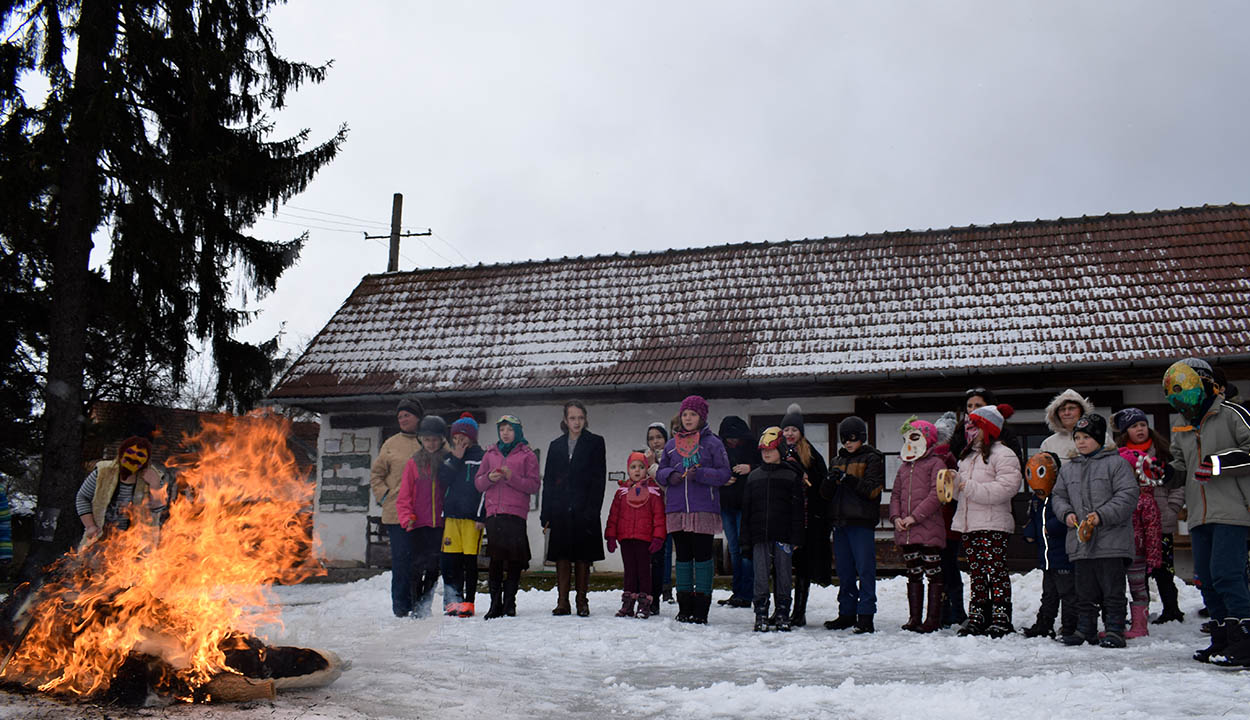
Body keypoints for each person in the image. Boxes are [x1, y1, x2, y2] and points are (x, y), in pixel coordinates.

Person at [1159, 358, 1250, 666]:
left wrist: (1218, 463)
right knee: (1208, 580)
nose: (1185, 404)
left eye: (1189, 395)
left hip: (1233, 509)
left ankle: (1245, 639)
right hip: (1199, 514)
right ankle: (1222, 638)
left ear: (1206, 386)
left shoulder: (1233, 415)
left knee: (1228, 574)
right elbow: (1181, 466)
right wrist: (1165, 472)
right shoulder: (1182, 426)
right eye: (1178, 399)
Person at [1050, 413, 1139, 648]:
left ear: (1099, 438)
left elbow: (1128, 495)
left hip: (1112, 541)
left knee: (1112, 589)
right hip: (1081, 542)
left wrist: (1101, 515)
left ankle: (1114, 630)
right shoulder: (1069, 469)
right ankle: (1085, 629)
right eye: (1077, 437)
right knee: (1084, 590)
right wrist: (1066, 513)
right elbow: (1058, 496)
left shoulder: (1117, 463)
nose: (1080, 442)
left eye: (1086, 437)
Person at [655, 395, 731, 624]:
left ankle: (701, 608)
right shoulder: (671, 444)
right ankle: (684, 605)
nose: (688, 418)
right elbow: (660, 472)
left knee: (703, 557)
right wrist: (671, 476)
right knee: (684, 558)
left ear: (702, 417)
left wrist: (703, 474)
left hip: (703, 509)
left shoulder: (713, 443)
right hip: (678, 509)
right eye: (685, 414)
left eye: (693, 414)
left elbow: (724, 473)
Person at [951, 404, 1022, 638]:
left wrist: (967, 487)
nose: (969, 431)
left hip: (993, 524)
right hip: (970, 524)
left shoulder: (1004, 454)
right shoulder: (967, 456)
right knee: (977, 573)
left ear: (988, 428)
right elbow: (960, 493)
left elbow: (1006, 488)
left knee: (995, 571)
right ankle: (978, 616)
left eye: (975, 427)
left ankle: (1001, 617)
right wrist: (950, 485)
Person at [1111, 408, 1185, 625]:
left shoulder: (1162, 452)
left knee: (1163, 568)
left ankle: (1172, 610)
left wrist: (1172, 509)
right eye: (1134, 426)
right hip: (1131, 523)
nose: (1140, 429)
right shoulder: (1119, 456)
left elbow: (1177, 484)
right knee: (1135, 570)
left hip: (1161, 519)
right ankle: (1139, 614)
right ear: (1126, 432)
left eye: (1142, 424)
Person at [542, 400, 607, 617]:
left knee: (582, 556)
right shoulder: (555, 445)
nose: (576, 422)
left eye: (580, 417)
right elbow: (549, 482)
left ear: (585, 418)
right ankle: (562, 601)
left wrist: (592, 510)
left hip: (584, 508)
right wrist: (546, 513)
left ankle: (581, 601)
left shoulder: (596, 443)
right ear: (565, 420)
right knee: (561, 556)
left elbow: (599, 480)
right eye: (572, 418)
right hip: (560, 509)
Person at [821, 416, 885, 634]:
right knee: (845, 571)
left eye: (853, 438)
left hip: (861, 522)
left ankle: (866, 615)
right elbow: (825, 495)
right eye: (844, 439)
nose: (848, 443)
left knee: (865, 569)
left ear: (862, 438)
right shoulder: (836, 460)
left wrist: (848, 479)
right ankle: (846, 613)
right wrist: (829, 481)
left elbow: (873, 490)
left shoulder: (872, 458)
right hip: (840, 523)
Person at [475, 414, 541, 619]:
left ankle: (510, 602)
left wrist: (511, 478)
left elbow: (533, 485)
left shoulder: (528, 455)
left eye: (510, 429)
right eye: (502, 429)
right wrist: (489, 478)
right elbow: (478, 483)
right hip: (494, 513)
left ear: (517, 432)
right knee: (495, 559)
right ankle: (495, 603)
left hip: (515, 514)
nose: (505, 433)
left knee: (514, 560)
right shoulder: (490, 454)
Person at [740, 427, 804, 632]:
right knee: (760, 574)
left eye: (772, 449)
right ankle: (761, 611)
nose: (766, 453)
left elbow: (797, 511)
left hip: (783, 535)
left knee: (784, 574)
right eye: (763, 450)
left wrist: (797, 538)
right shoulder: (753, 477)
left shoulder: (790, 476)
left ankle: (783, 610)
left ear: (782, 450)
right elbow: (747, 511)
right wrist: (745, 539)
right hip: (759, 536)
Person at [888, 417, 948, 633]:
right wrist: (896, 518)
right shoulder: (904, 468)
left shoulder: (936, 463)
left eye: (915, 438)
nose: (910, 444)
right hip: (906, 531)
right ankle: (914, 617)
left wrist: (914, 516)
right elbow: (895, 495)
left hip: (928, 528)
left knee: (933, 572)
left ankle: (932, 618)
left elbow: (937, 494)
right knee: (913, 572)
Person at [370, 397, 426, 617]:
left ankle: (420, 603)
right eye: (400, 416)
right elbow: (376, 475)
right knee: (402, 560)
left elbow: (446, 467)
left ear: (418, 417)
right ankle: (401, 607)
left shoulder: (430, 440)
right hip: (396, 514)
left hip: (424, 514)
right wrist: (384, 497)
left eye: (407, 415)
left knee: (421, 561)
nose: (403, 419)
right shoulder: (391, 444)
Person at [780, 404, 830, 627]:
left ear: (800, 432)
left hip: (808, 519)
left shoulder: (810, 454)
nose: (789, 433)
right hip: (785, 518)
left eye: (794, 430)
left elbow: (822, 485)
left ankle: (799, 612)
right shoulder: (779, 451)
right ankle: (782, 609)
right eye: (786, 430)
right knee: (781, 566)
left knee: (802, 566)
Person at [395, 415, 449, 618]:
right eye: (427, 439)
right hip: (418, 524)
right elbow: (405, 494)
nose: (431, 443)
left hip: (440, 524)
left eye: (435, 439)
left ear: (442, 439)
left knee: (434, 568)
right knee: (417, 568)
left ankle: (426, 603)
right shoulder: (413, 463)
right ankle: (417, 605)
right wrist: (406, 516)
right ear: (421, 440)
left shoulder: (448, 460)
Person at [1020, 451, 1076, 640]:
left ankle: (1070, 626)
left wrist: (1049, 528)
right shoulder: (1037, 500)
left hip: (1063, 557)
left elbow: (1064, 520)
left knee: (1068, 594)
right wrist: (1029, 533)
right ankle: (1044, 625)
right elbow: (1034, 522)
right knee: (1049, 594)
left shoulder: (1060, 497)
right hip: (1047, 558)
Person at [604, 452, 666, 618]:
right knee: (629, 571)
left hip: (644, 539)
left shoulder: (654, 492)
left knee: (644, 571)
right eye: (633, 467)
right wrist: (611, 536)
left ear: (647, 469)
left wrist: (659, 537)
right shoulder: (621, 493)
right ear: (628, 470)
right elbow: (614, 515)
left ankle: (644, 604)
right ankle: (628, 603)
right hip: (626, 539)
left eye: (641, 467)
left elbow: (659, 516)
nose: (637, 470)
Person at [75, 435, 169, 542]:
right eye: (130, 452)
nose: (134, 457)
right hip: (99, 540)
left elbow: (158, 509)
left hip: (134, 545)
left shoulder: (153, 476)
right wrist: (90, 526)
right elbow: (82, 497)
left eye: (140, 455)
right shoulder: (103, 472)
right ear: (121, 453)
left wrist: (155, 485)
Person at [438, 413, 486, 617]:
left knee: (469, 562)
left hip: (471, 519)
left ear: (472, 437)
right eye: (456, 438)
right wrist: (455, 458)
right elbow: (442, 480)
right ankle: (452, 601)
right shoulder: (450, 457)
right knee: (450, 561)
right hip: (451, 517)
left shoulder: (481, 457)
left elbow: (484, 490)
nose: (460, 441)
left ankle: (469, 602)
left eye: (463, 437)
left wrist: (481, 516)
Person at [716, 416, 757, 609]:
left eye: (735, 437)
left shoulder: (752, 447)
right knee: (733, 549)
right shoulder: (719, 448)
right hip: (726, 504)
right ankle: (737, 592)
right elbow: (711, 472)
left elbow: (766, 465)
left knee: (745, 549)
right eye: (729, 438)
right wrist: (722, 480)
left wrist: (750, 468)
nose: (732, 441)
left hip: (745, 505)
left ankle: (747, 593)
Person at [932, 411, 967, 628]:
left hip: (949, 521)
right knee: (942, 567)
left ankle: (955, 611)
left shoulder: (952, 458)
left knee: (948, 565)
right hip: (936, 522)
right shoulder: (932, 457)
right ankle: (944, 611)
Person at [950, 388, 1024, 468]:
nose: (972, 409)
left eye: (978, 405)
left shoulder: (1003, 433)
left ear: (989, 407)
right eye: (969, 406)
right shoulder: (960, 432)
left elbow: (1014, 465)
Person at [646, 421, 674, 615]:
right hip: (648, 513)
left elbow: (667, 485)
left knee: (664, 554)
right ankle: (648, 595)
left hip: (669, 510)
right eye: (651, 438)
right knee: (652, 555)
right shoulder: (643, 456)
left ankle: (665, 589)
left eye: (659, 437)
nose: (655, 442)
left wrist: (652, 466)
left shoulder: (672, 456)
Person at [1040, 389, 1098, 460]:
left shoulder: (1099, 437)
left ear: (1081, 411)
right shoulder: (1048, 444)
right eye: (1062, 409)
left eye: (1071, 408)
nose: (1067, 413)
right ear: (1056, 414)